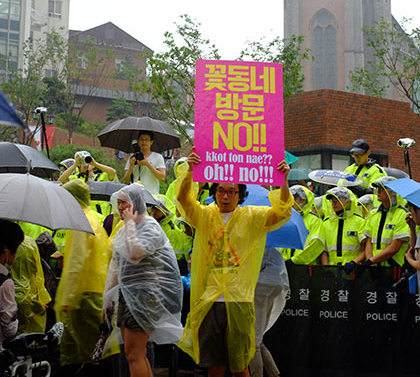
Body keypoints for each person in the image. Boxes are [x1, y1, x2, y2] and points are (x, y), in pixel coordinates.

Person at [175, 148, 293, 377]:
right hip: (210, 299)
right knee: (214, 366)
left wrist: (283, 181)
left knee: (240, 366)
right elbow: (182, 200)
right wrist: (190, 171)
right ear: (215, 193)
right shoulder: (205, 216)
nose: (226, 196)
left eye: (231, 191)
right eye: (221, 190)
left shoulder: (252, 217)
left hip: (239, 299)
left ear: (240, 195)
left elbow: (282, 212)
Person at [104, 183, 183, 377]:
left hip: (145, 297)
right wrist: (108, 298)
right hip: (127, 296)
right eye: (119, 203)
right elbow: (117, 266)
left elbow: (135, 253)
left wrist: (130, 224)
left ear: (136, 204)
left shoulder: (150, 227)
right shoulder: (123, 230)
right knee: (135, 354)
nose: (121, 207)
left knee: (134, 355)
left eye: (125, 203)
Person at [54, 180, 109, 374]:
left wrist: (67, 298)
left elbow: (76, 263)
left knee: (83, 355)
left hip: (82, 297)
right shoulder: (93, 219)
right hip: (94, 293)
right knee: (91, 351)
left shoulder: (80, 223)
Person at [249, 248, 289, 377]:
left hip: (261, 286)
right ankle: (274, 374)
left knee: (253, 341)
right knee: (258, 339)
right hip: (274, 285)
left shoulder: (260, 241)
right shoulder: (272, 245)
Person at [363, 176, 410, 267]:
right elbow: (369, 241)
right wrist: (370, 263)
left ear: (392, 192)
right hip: (375, 267)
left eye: (382, 189)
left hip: (393, 268)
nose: (378, 192)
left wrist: (371, 261)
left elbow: (395, 248)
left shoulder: (403, 215)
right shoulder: (374, 213)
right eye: (377, 189)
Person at [319, 187, 366, 271]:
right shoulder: (326, 224)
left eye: (337, 199)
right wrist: (326, 268)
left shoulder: (359, 222)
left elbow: (365, 250)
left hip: (354, 270)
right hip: (333, 271)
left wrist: (354, 263)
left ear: (348, 201)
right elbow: (323, 251)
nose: (334, 203)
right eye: (332, 200)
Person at [283, 185, 323, 265]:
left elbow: (316, 244)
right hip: (286, 264)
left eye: (294, 198)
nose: (291, 201)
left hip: (306, 266)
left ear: (303, 200)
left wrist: (295, 260)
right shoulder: (287, 218)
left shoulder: (314, 220)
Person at [0, 220, 24, 352]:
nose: (16, 255)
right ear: (6, 250)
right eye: (16, 249)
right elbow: (10, 330)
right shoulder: (5, 284)